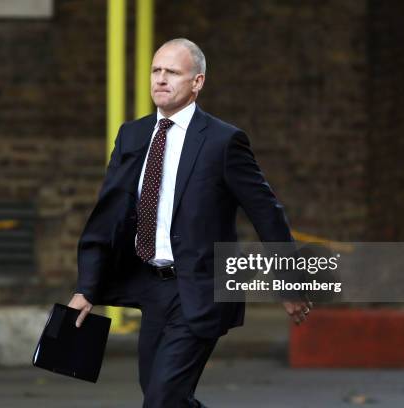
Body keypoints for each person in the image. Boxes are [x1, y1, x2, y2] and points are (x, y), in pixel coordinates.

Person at [68, 38, 312, 408]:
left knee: (162, 399)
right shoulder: (132, 136)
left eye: (172, 72)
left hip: (200, 287)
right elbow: (109, 216)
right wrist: (87, 287)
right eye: (156, 70)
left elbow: (267, 211)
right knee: (162, 395)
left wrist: (289, 280)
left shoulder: (223, 141)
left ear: (197, 82)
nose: (161, 79)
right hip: (151, 286)